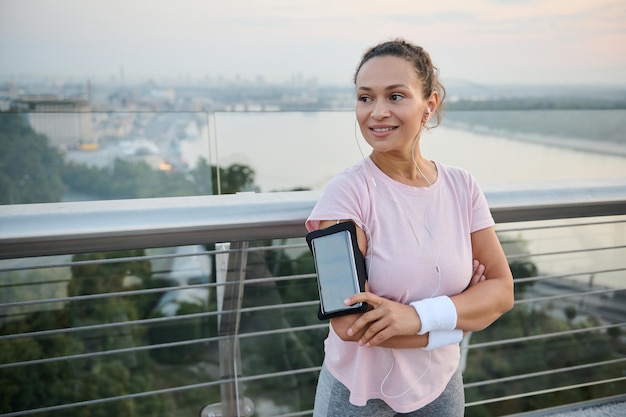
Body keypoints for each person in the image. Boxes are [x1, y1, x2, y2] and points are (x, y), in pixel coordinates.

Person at [305, 38, 514, 416]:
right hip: (360, 399)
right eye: (365, 98)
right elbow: (350, 325)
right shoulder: (345, 196)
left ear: (429, 105)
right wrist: (459, 322)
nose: (377, 112)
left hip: (442, 388)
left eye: (396, 96)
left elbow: (501, 292)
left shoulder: (462, 186)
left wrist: (413, 318)